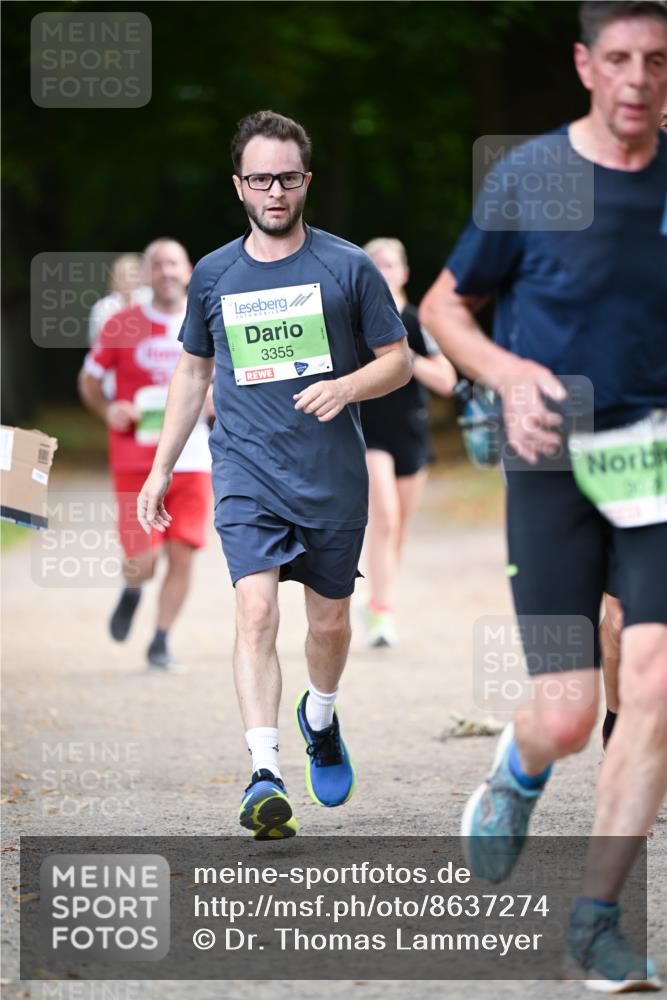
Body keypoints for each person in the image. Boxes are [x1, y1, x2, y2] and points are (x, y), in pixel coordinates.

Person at [420, 1, 667, 989]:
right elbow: (445, 306)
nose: (638, 78)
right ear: (583, 64)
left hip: (654, 459)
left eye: (655, 59)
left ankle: (597, 922)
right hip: (553, 455)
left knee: (651, 680)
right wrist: (507, 376)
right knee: (566, 713)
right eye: (618, 58)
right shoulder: (532, 176)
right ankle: (518, 774)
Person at [137, 111, 411, 840]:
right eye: (259, 178)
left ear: (306, 180)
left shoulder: (346, 267)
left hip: (329, 475)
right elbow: (193, 371)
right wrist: (161, 467)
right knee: (255, 612)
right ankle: (265, 773)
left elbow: (399, 360)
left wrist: (348, 387)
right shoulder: (214, 274)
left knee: (327, 623)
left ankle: (319, 717)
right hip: (245, 470)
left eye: (287, 177)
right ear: (238, 185)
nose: (274, 190)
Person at [79, 239, 213, 671]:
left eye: (174, 264)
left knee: (182, 553)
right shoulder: (123, 324)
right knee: (144, 558)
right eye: (158, 265)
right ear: (147, 274)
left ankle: (160, 639)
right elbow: (90, 380)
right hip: (136, 459)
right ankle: (133, 589)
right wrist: (108, 408)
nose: (167, 272)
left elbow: (232, 378)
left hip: (192, 458)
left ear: (188, 270)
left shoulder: (207, 321)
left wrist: (215, 399)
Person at [358, 237, 457, 647]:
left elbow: (448, 381)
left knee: (398, 530)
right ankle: (382, 612)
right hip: (368, 432)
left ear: (404, 273)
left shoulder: (418, 322)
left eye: (390, 265)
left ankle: (378, 598)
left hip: (411, 433)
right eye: (375, 265)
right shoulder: (353, 321)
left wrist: (404, 357)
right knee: (385, 516)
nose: (383, 272)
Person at [88, 253, 152, 346]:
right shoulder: (102, 307)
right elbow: (96, 342)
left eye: (132, 275)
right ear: (113, 280)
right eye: (122, 275)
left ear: (141, 277)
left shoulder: (152, 298)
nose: (128, 280)